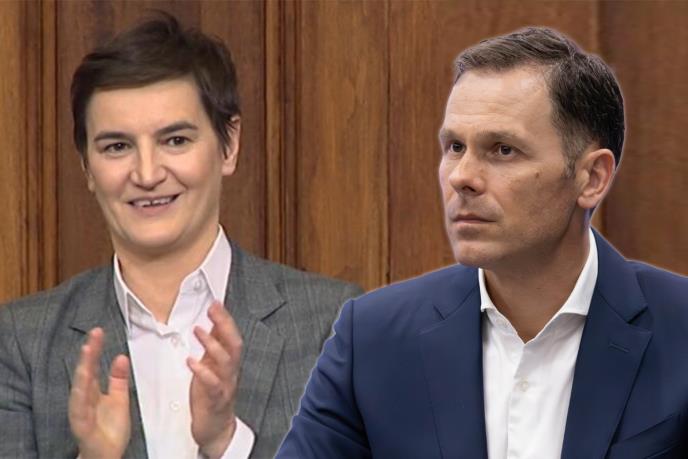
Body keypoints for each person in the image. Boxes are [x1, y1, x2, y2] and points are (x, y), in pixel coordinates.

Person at [277, 27, 688, 458]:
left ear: (592, 178)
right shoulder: (371, 339)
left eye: (502, 150)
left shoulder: (679, 331)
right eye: (455, 147)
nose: (461, 177)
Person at [0, 13, 361, 459]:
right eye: (117, 146)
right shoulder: (21, 341)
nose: (147, 173)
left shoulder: (336, 324)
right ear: (87, 167)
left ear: (229, 145)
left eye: (175, 140)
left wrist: (226, 442)